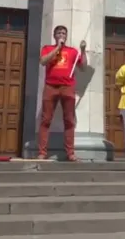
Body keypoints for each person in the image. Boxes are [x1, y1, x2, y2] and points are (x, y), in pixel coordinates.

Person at [38, 25, 87, 161]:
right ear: (55, 35)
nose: (61, 34)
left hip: (67, 87)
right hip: (50, 86)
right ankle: (42, 152)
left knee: (69, 120)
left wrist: (83, 51)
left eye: (63, 33)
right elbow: (43, 61)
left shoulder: (72, 51)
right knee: (45, 120)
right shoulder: (47, 48)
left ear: (66, 36)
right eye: (59, 32)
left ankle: (70, 153)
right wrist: (57, 48)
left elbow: (83, 67)